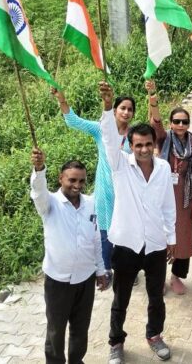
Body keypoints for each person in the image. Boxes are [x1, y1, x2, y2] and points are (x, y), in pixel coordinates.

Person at [99, 82, 176, 364]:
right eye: (138, 145)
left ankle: (154, 336)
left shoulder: (164, 168)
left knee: (156, 297)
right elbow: (108, 138)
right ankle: (116, 342)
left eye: (148, 144)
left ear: (154, 145)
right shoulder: (120, 166)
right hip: (126, 244)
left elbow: (169, 206)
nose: (144, 149)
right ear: (130, 147)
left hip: (155, 244)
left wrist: (171, 239)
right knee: (121, 300)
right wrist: (108, 108)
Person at [30, 148, 109, 364]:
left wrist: (100, 270)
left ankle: (77, 360)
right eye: (72, 180)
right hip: (58, 281)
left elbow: (95, 240)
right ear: (60, 178)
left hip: (85, 278)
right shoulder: (50, 204)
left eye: (82, 181)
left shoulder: (90, 203)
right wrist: (38, 169)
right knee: (56, 330)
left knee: (80, 327)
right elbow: (38, 192)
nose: (77, 185)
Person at [51, 88, 134, 274]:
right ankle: (106, 268)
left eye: (130, 109)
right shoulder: (101, 129)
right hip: (105, 190)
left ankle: (125, 269)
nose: (126, 112)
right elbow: (74, 121)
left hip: (125, 191)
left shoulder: (133, 136)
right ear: (114, 110)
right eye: (122, 108)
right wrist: (62, 100)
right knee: (104, 231)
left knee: (125, 229)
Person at [146, 81, 192, 295]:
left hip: (184, 198)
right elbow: (156, 123)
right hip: (163, 195)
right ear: (171, 123)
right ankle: (158, 278)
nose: (180, 125)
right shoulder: (163, 139)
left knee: (184, 238)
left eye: (184, 122)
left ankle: (177, 276)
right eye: (176, 121)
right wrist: (153, 99)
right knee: (160, 237)